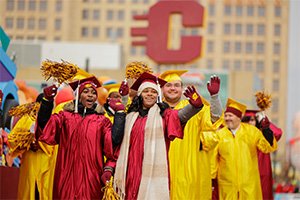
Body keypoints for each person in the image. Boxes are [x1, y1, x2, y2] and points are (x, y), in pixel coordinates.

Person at [113, 72, 204, 200]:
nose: (150, 94)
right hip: (130, 171)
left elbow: (180, 116)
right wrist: (123, 98)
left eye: (153, 92)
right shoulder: (130, 117)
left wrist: (194, 107)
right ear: (140, 94)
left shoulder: (164, 115)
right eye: (146, 91)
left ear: (158, 95)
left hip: (151, 173)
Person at [36, 76, 125, 199]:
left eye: (94, 93)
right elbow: (45, 126)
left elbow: (114, 143)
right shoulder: (64, 118)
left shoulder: (102, 121)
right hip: (66, 177)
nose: (90, 95)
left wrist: (120, 114)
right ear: (77, 95)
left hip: (91, 179)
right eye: (86, 91)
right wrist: (47, 102)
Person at [159, 70, 223, 200]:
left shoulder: (194, 108)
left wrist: (214, 97)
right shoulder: (156, 109)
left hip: (187, 173)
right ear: (161, 88)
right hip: (160, 172)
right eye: (168, 85)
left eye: (176, 85)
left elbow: (214, 118)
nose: (173, 88)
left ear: (182, 88)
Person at [212, 98, 278, 199]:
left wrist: (266, 129)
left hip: (249, 185)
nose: (227, 118)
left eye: (230, 115)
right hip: (227, 186)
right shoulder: (219, 135)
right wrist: (212, 179)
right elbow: (213, 159)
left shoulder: (252, 132)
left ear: (239, 117)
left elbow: (267, 147)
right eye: (225, 115)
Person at [8, 94, 56, 200]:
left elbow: (56, 144)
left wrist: (40, 144)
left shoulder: (54, 120)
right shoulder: (27, 119)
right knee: (30, 192)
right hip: (30, 163)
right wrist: (26, 142)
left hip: (46, 164)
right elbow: (12, 139)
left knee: (44, 192)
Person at [242, 109, 283, 200]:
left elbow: (278, 133)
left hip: (262, 172)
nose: (249, 123)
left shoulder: (263, 135)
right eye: (247, 120)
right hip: (245, 174)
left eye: (252, 120)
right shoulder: (239, 136)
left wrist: (264, 120)